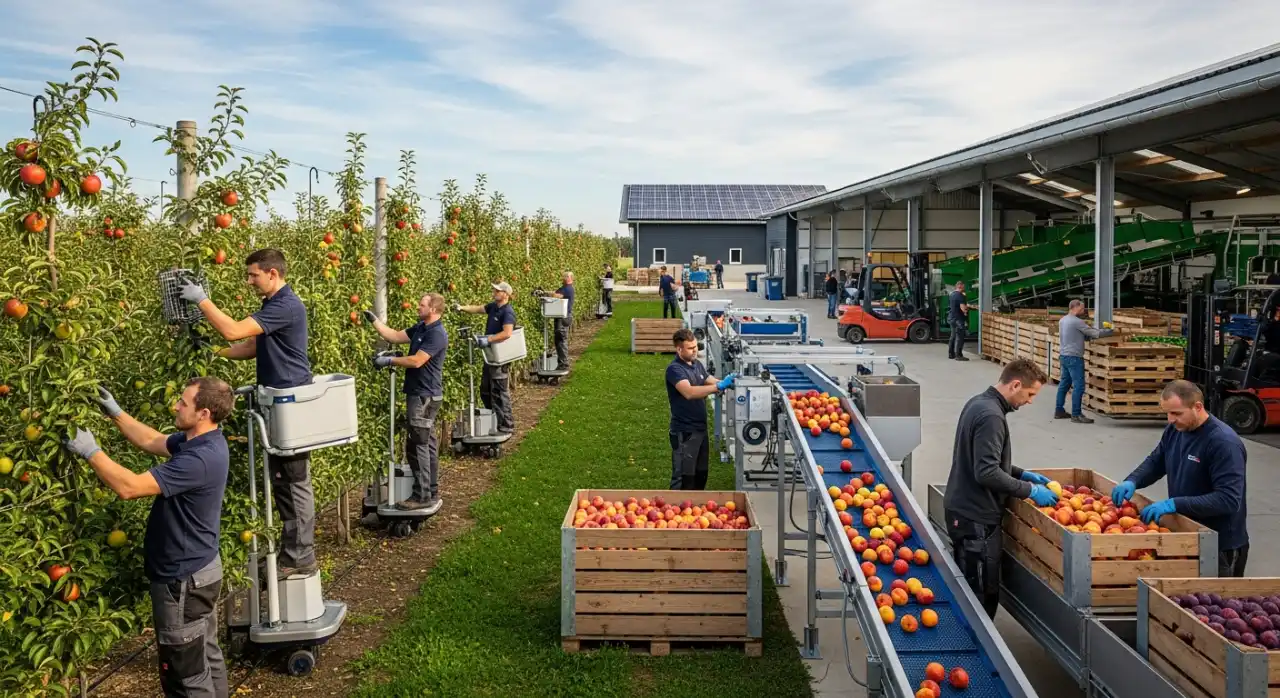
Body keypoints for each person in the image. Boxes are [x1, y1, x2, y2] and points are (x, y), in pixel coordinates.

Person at [63, 378, 233, 698]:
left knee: (185, 672)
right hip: (201, 568)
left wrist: (91, 451)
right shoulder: (200, 440)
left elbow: (130, 487)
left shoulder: (199, 459)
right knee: (205, 655)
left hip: (182, 579)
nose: (176, 405)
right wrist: (115, 412)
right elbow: (153, 440)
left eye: (183, 402)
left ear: (204, 413)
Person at [181, 248, 315, 579]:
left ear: (273, 274)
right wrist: (213, 352)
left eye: (254, 274)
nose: (249, 280)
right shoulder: (273, 305)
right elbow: (253, 346)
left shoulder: (285, 305)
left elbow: (234, 330)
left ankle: (300, 556)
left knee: (293, 481)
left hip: (291, 406)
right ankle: (290, 551)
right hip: (279, 403)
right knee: (284, 481)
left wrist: (201, 300)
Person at [942, 359, 1056, 618]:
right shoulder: (992, 416)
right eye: (1030, 394)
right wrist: (1030, 490)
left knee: (971, 585)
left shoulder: (978, 403)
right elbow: (987, 472)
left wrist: (1020, 472)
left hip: (963, 510)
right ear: (1016, 385)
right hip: (976, 518)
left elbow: (985, 459)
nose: (1030, 402)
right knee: (982, 595)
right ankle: (976, 653)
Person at [1111, 380, 1249, 577]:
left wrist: (1173, 504)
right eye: (1167, 413)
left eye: (1176, 413)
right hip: (1187, 536)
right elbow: (1157, 461)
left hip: (1219, 546)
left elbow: (1228, 500)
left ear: (1198, 407)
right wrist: (1133, 480)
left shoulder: (1223, 443)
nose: (1170, 420)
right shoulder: (1176, 430)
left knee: (1213, 604)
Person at [364, 294, 449, 510]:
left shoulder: (437, 334)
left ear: (434, 309)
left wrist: (390, 360)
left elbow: (417, 361)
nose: (417, 307)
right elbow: (393, 336)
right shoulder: (420, 328)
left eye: (422, 305)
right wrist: (374, 320)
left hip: (424, 395)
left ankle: (421, 496)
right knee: (426, 442)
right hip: (420, 393)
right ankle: (430, 490)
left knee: (417, 444)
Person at [666, 328, 736, 490]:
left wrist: (729, 382)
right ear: (679, 349)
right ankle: (676, 510)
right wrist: (719, 386)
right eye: (690, 348)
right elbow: (689, 392)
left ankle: (694, 510)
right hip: (685, 432)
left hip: (700, 429)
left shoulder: (696, 365)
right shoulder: (675, 369)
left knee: (700, 475)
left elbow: (709, 380)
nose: (695, 350)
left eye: (695, 346)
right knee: (684, 478)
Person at [457, 282, 518, 434]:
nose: (494, 291)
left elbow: (507, 333)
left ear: (505, 294)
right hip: (490, 356)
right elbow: (478, 309)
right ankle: (494, 419)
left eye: (497, 290)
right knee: (485, 390)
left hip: (500, 357)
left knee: (499, 391)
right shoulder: (493, 307)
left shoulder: (507, 312)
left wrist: (488, 339)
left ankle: (507, 425)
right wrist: (462, 307)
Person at [1056, 299, 1115, 423]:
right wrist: (1110, 332)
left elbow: (1075, 335)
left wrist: (1085, 336)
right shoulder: (1077, 322)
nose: (1083, 311)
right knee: (1079, 386)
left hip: (1064, 355)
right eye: (1082, 308)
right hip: (1074, 357)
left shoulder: (1063, 320)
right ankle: (1076, 414)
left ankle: (1059, 410)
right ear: (1075, 307)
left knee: (1064, 384)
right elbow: (1095, 334)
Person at [551, 271, 575, 370]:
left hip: (563, 317)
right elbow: (557, 293)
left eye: (566, 276)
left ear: (571, 278)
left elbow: (557, 296)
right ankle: (562, 362)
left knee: (561, 340)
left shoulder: (568, 289)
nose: (564, 278)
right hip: (562, 316)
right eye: (563, 276)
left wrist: (545, 293)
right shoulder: (564, 288)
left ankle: (563, 363)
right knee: (559, 340)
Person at [947, 281, 969, 361]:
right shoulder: (960, 296)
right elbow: (963, 308)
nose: (964, 288)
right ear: (961, 286)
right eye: (963, 286)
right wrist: (967, 310)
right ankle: (958, 355)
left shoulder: (952, 294)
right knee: (960, 337)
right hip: (958, 319)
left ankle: (951, 353)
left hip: (952, 318)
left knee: (952, 336)